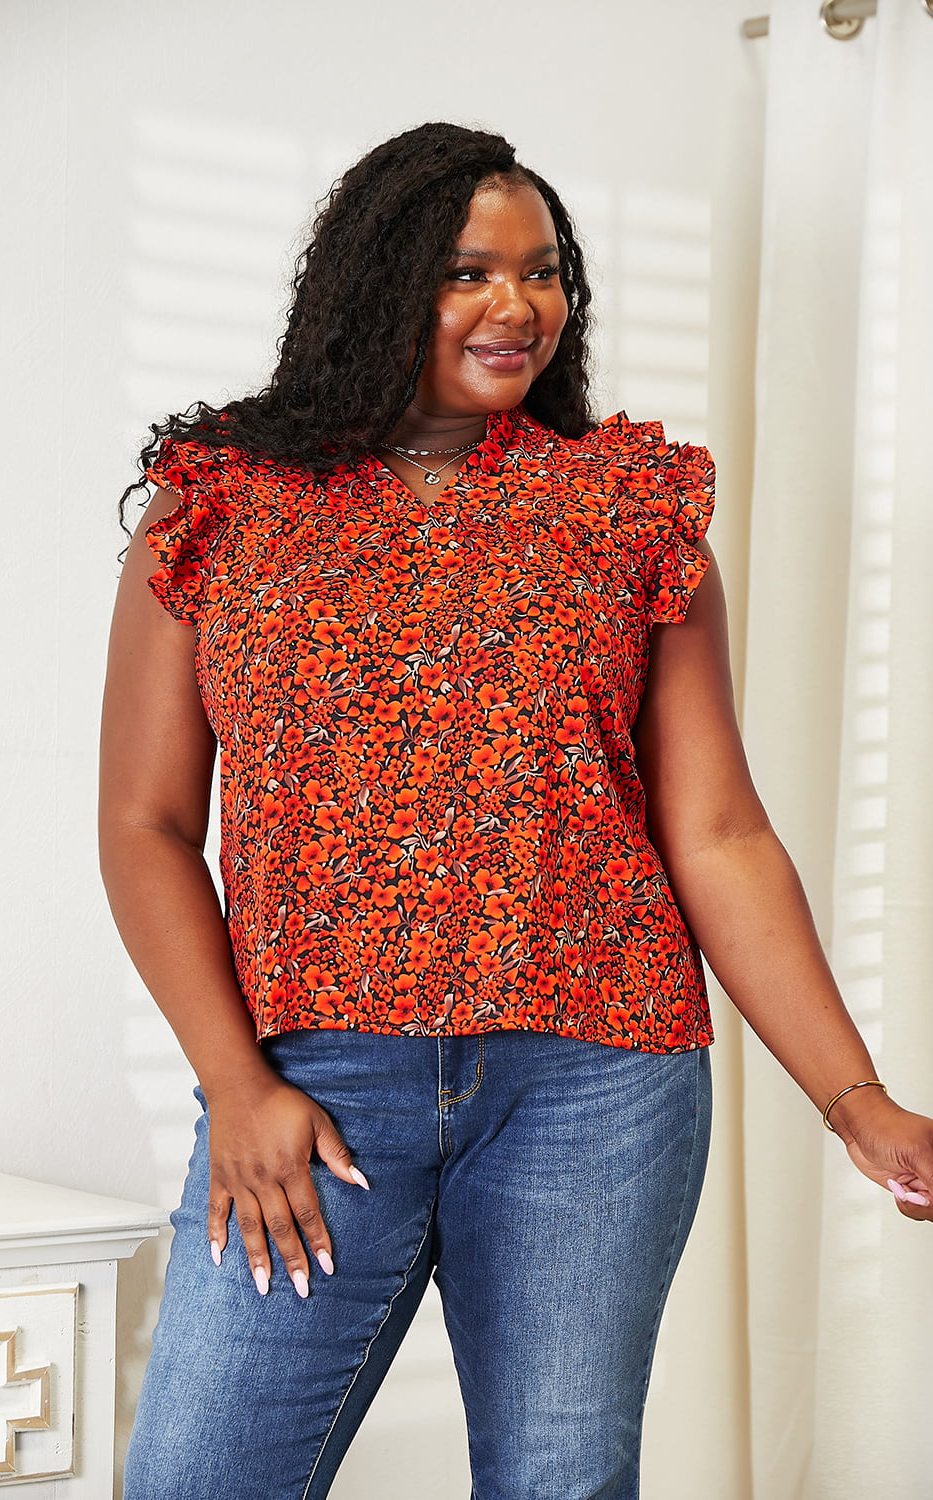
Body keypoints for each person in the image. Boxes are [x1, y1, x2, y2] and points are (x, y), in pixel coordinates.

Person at [99, 121, 933, 1500]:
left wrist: (857, 1101)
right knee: (201, 1476)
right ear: (376, 286)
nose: (517, 307)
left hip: (595, 1084)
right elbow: (143, 824)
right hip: (316, 1081)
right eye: (467, 273)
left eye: (542, 274)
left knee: (562, 1482)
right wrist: (237, 1083)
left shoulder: (623, 511)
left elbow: (715, 833)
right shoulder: (223, 508)